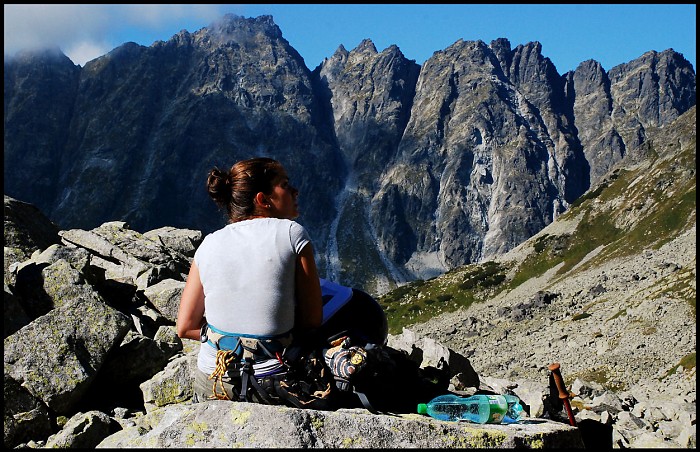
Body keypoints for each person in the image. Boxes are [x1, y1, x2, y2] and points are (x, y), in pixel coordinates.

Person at [176, 157, 323, 402]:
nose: (294, 190)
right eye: (284, 184)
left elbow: (185, 327)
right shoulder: (291, 232)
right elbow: (312, 321)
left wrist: (234, 336)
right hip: (273, 383)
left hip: (213, 382)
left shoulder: (209, 243)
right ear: (262, 200)